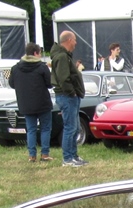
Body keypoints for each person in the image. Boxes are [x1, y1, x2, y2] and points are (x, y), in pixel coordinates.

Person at [10, 42, 53, 163]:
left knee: (31, 129)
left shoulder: (16, 68)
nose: (40, 56)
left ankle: (32, 155)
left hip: (26, 103)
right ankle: (45, 154)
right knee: (45, 128)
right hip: (42, 102)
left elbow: (12, 84)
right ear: (35, 53)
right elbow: (49, 84)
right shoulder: (42, 67)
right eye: (40, 53)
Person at [50, 31, 88, 167]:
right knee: (70, 128)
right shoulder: (61, 57)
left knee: (75, 127)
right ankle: (67, 159)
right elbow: (63, 78)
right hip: (66, 97)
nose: (76, 43)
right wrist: (72, 92)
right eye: (75, 40)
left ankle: (74, 156)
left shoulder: (65, 56)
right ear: (69, 40)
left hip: (70, 96)